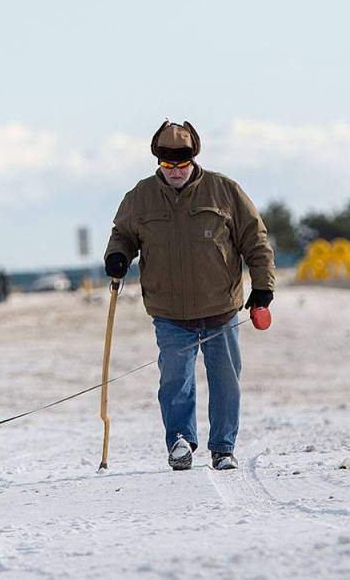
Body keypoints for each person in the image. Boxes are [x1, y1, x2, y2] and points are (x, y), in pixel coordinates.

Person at [104, 120, 274, 471]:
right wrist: (117, 256)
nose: (176, 171)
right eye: (168, 164)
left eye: (182, 163)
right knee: (174, 380)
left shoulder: (224, 191)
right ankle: (180, 441)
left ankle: (223, 447)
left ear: (193, 158)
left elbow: (255, 241)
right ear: (159, 162)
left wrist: (262, 287)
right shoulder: (140, 197)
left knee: (226, 381)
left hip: (221, 308)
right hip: (169, 312)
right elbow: (122, 234)